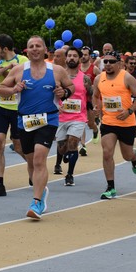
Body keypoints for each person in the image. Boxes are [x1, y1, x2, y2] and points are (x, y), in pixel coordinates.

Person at [0, 35, 74, 219]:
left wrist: (64, 92)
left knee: (40, 159)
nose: (34, 49)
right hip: (24, 120)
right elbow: (1, 89)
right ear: (27, 50)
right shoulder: (18, 70)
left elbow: (71, 87)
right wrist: (14, 90)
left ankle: (37, 202)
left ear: (44, 49)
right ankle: (41, 190)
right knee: (32, 163)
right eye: (31, 46)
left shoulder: (56, 70)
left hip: (48, 119)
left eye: (38, 46)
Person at [92, 51, 136, 199]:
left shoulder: (126, 77)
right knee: (107, 153)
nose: (108, 64)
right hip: (108, 122)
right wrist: (97, 107)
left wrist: (129, 111)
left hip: (126, 122)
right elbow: (96, 96)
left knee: (126, 155)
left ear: (119, 63)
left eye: (111, 62)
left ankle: (134, 158)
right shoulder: (98, 78)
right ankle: (110, 187)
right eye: (105, 62)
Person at [0, 34, 29, 197]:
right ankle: (0, 184)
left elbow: (27, 76)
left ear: (5, 49)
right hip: (2, 107)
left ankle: (33, 169)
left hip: (19, 109)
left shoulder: (24, 60)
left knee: (19, 146)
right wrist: (4, 68)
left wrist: (10, 67)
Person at [55, 48, 93, 186]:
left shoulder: (85, 78)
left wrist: (95, 108)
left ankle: (69, 175)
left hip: (78, 117)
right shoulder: (58, 76)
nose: (72, 58)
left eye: (75, 56)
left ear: (79, 58)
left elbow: (92, 94)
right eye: (69, 55)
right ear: (66, 58)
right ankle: (64, 155)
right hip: (61, 117)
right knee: (61, 148)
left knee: (72, 143)